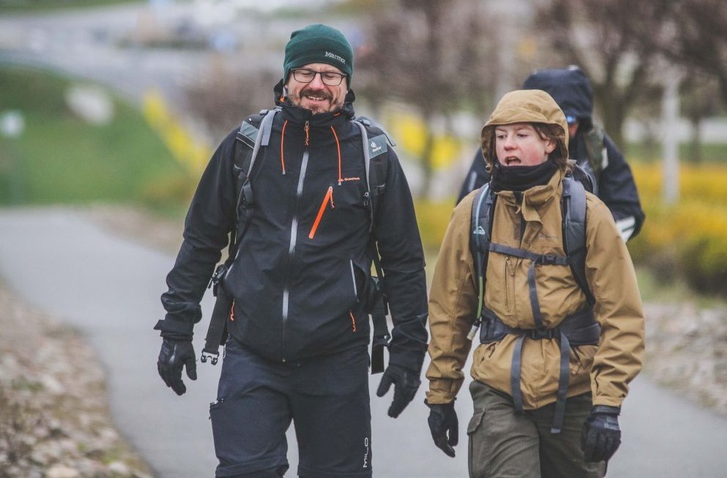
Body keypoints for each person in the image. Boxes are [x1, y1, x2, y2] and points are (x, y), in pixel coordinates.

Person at [154, 24, 428, 478]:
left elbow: (403, 261)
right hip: (251, 351)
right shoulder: (247, 145)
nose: (317, 84)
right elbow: (202, 239)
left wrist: (408, 350)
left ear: (346, 84)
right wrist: (176, 326)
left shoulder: (372, 156)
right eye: (304, 72)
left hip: (337, 358)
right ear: (286, 79)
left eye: (330, 74)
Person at [425, 89, 645, 477]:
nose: (508, 145)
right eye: (501, 136)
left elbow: (623, 316)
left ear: (550, 142)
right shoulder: (473, 212)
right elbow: (449, 310)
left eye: (521, 135)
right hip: (499, 392)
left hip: (575, 392)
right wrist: (441, 395)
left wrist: (608, 406)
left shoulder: (588, 214)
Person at [456, 66, 645, 242]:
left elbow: (628, 211)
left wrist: (590, 240)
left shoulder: (596, 147)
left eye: (568, 120)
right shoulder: (500, 149)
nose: (561, 128)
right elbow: (469, 218)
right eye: (554, 121)